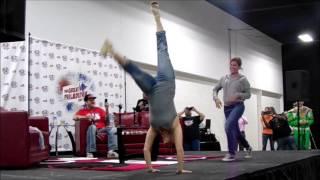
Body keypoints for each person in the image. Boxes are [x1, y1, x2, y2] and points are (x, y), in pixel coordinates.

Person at [100, 1, 191, 174]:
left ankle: (111, 50)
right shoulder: (175, 125)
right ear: (170, 138)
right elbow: (180, 149)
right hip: (167, 81)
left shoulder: (154, 128)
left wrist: (149, 168)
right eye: (167, 142)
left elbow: (146, 149)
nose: (165, 143)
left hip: (151, 89)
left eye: (163, 142)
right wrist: (181, 169)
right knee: (162, 49)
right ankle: (157, 16)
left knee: (134, 71)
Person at [212, 57, 252, 162]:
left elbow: (248, 94)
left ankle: (231, 153)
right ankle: (248, 147)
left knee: (228, 125)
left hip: (238, 106)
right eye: (231, 64)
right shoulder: (224, 78)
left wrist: (238, 94)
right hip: (227, 108)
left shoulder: (243, 79)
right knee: (236, 131)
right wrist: (216, 98)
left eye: (235, 65)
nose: (232, 67)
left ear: (239, 67)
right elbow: (215, 89)